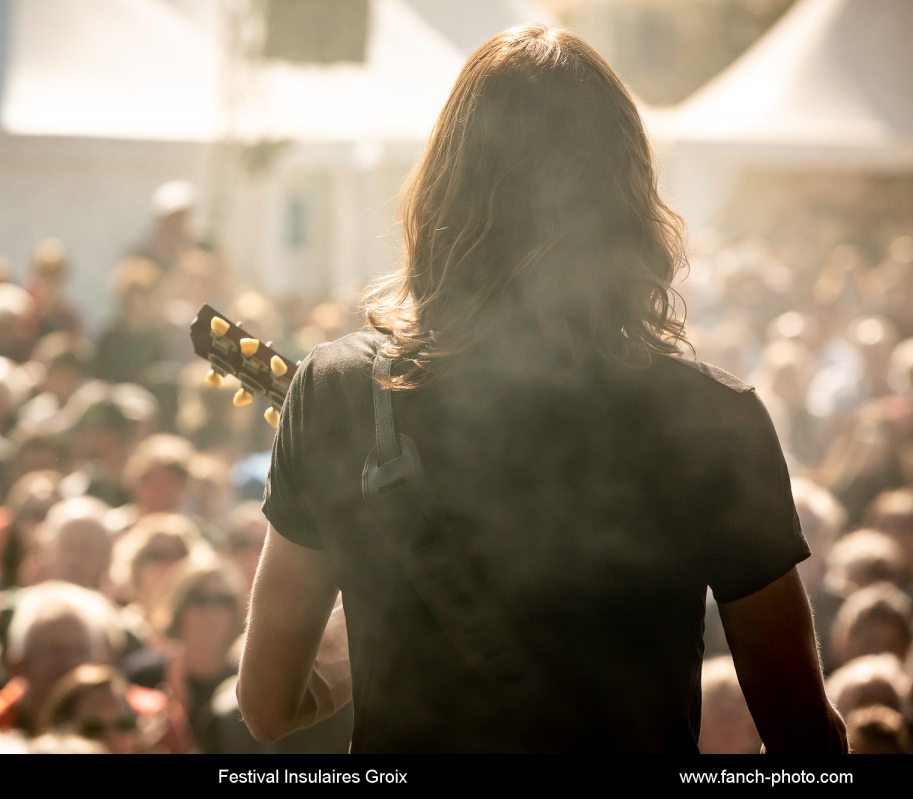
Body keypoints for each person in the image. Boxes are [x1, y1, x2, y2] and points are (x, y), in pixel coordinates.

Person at [237, 25, 847, 753]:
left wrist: (386, 613)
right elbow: (805, 739)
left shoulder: (337, 391)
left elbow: (270, 704)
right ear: (627, 203)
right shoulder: (715, 420)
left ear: (441, 192)